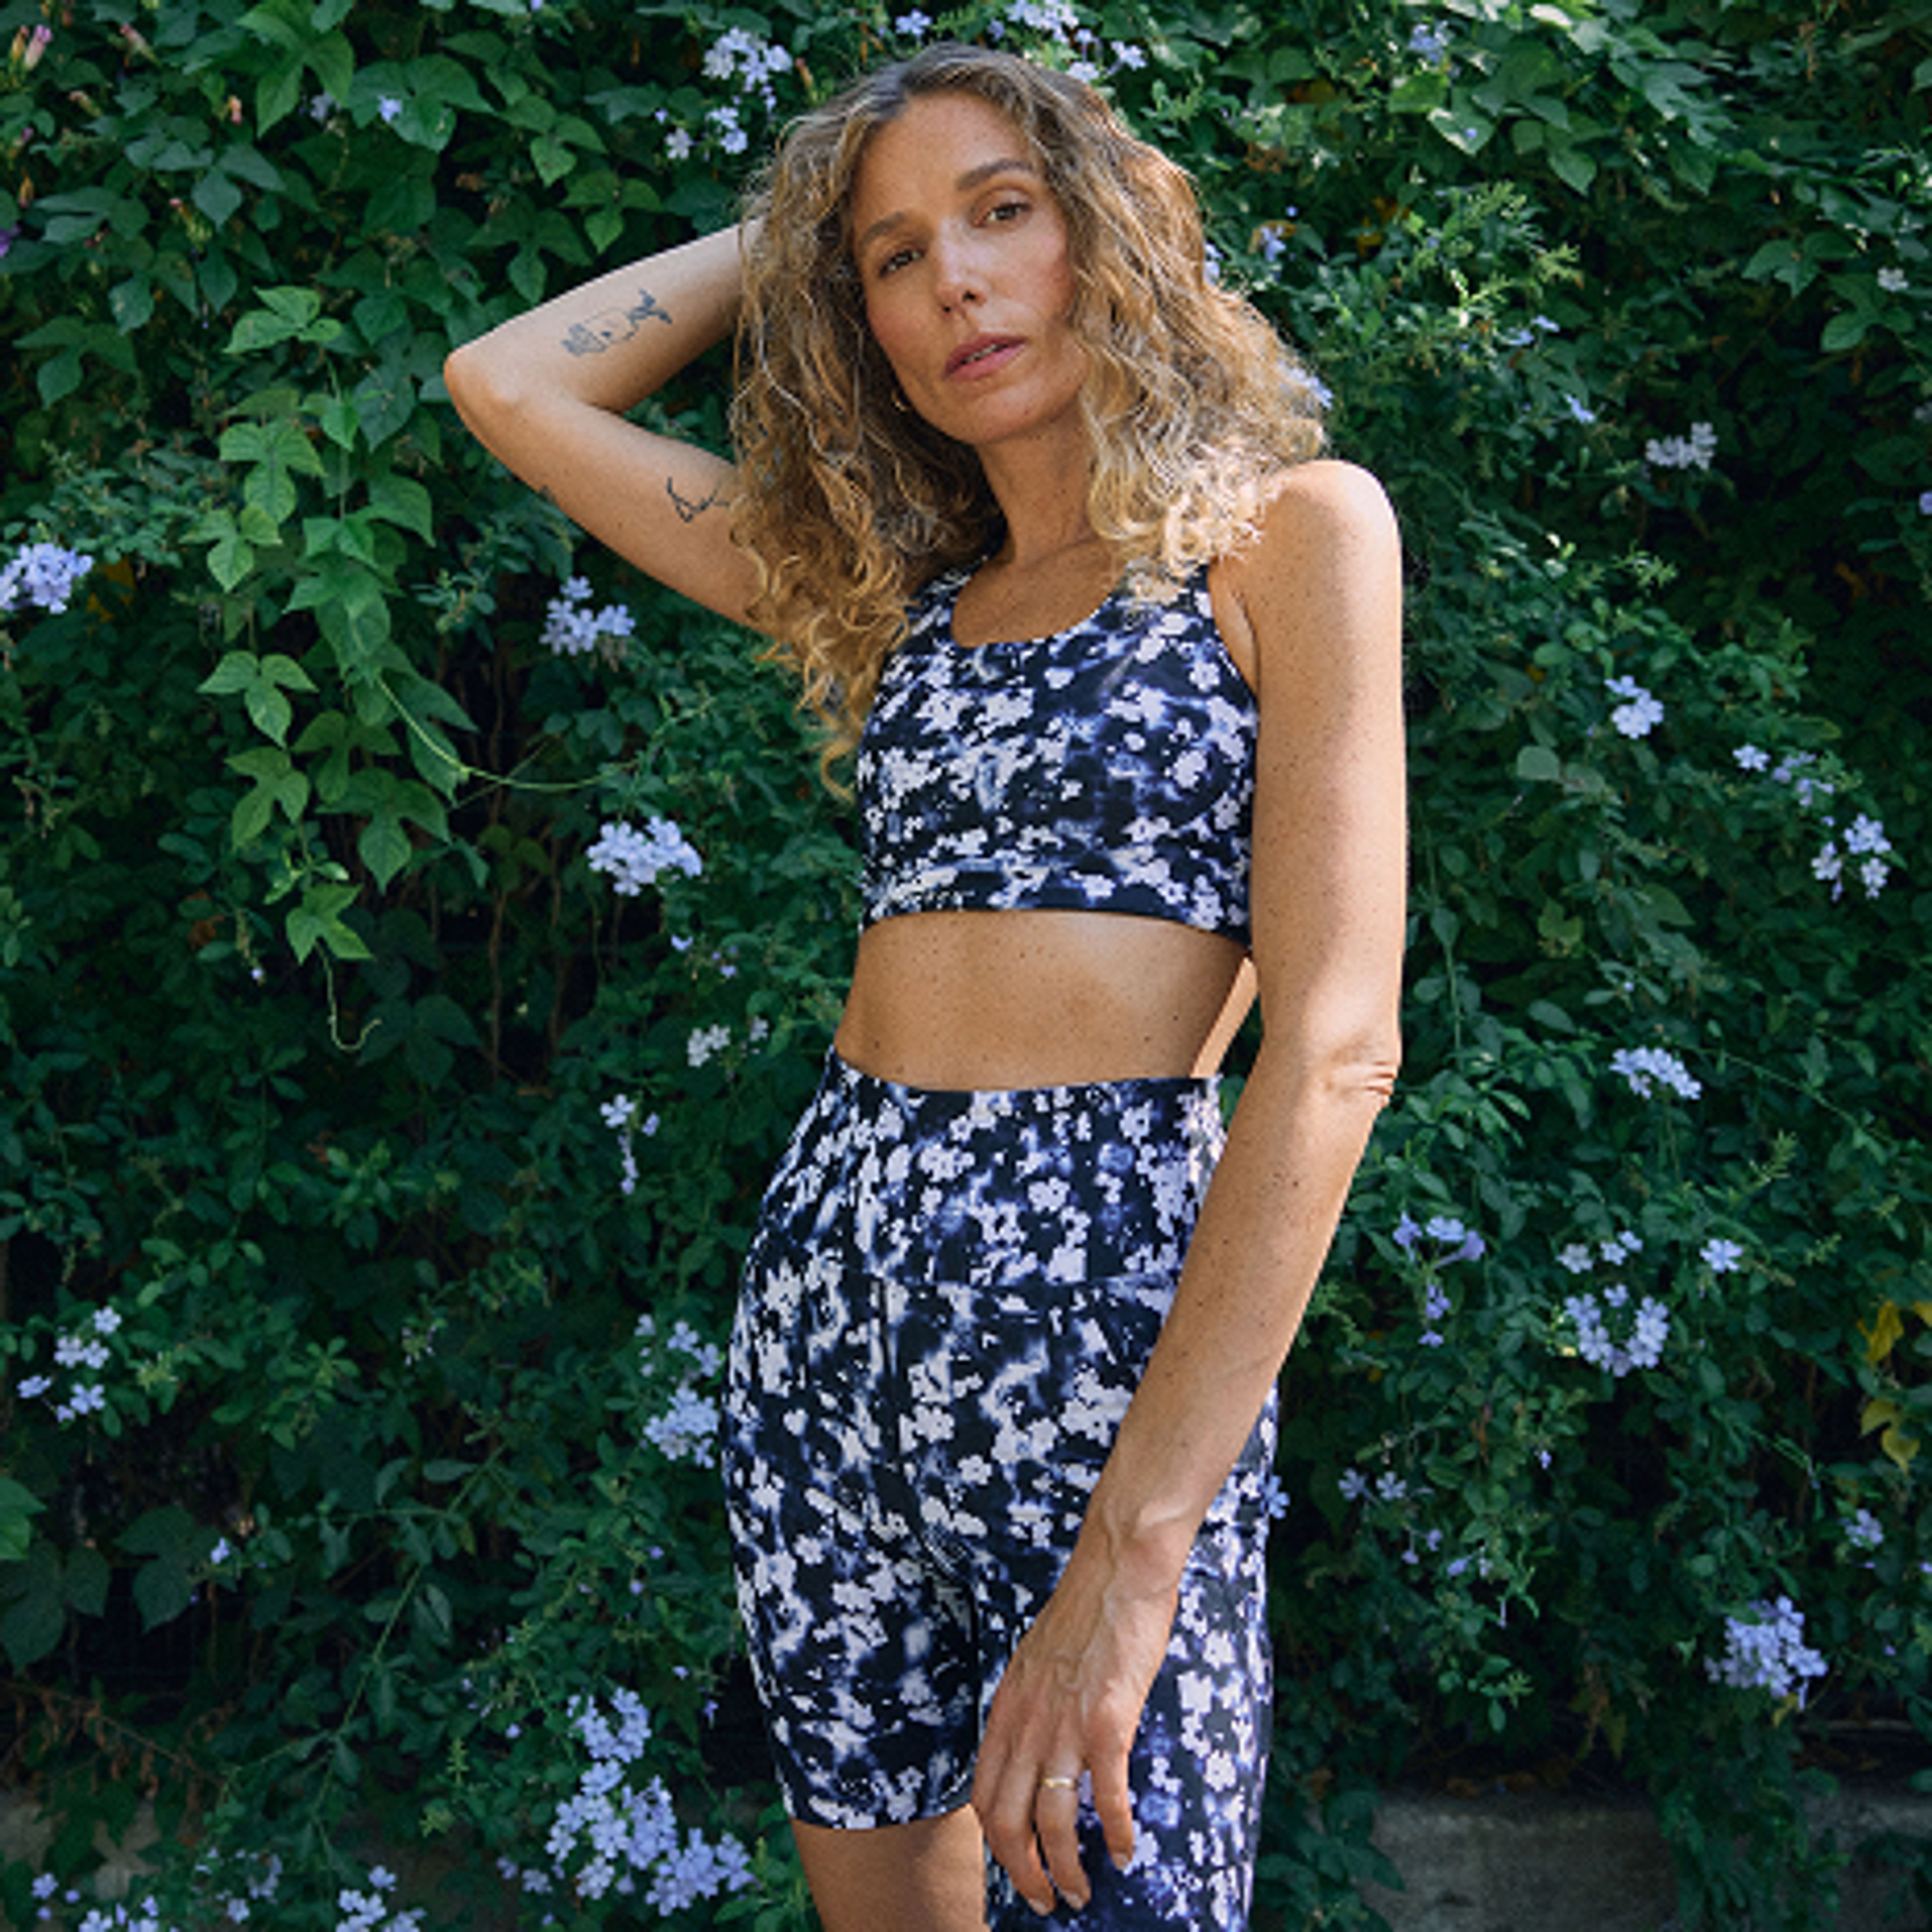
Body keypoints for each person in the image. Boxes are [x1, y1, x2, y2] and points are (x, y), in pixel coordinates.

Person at [445, 41, 1404, 1931]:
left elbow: (1338, 1056)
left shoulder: (1288, 537)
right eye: (894, 259)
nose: (954, 281)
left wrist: (1135, 1559)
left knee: (1116, 1895)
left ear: (1105, 232)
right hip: (829, 1302)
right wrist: (803, 221)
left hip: (1103, 1319)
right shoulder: (894, 603)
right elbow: (511, 384)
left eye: (1002, 212)